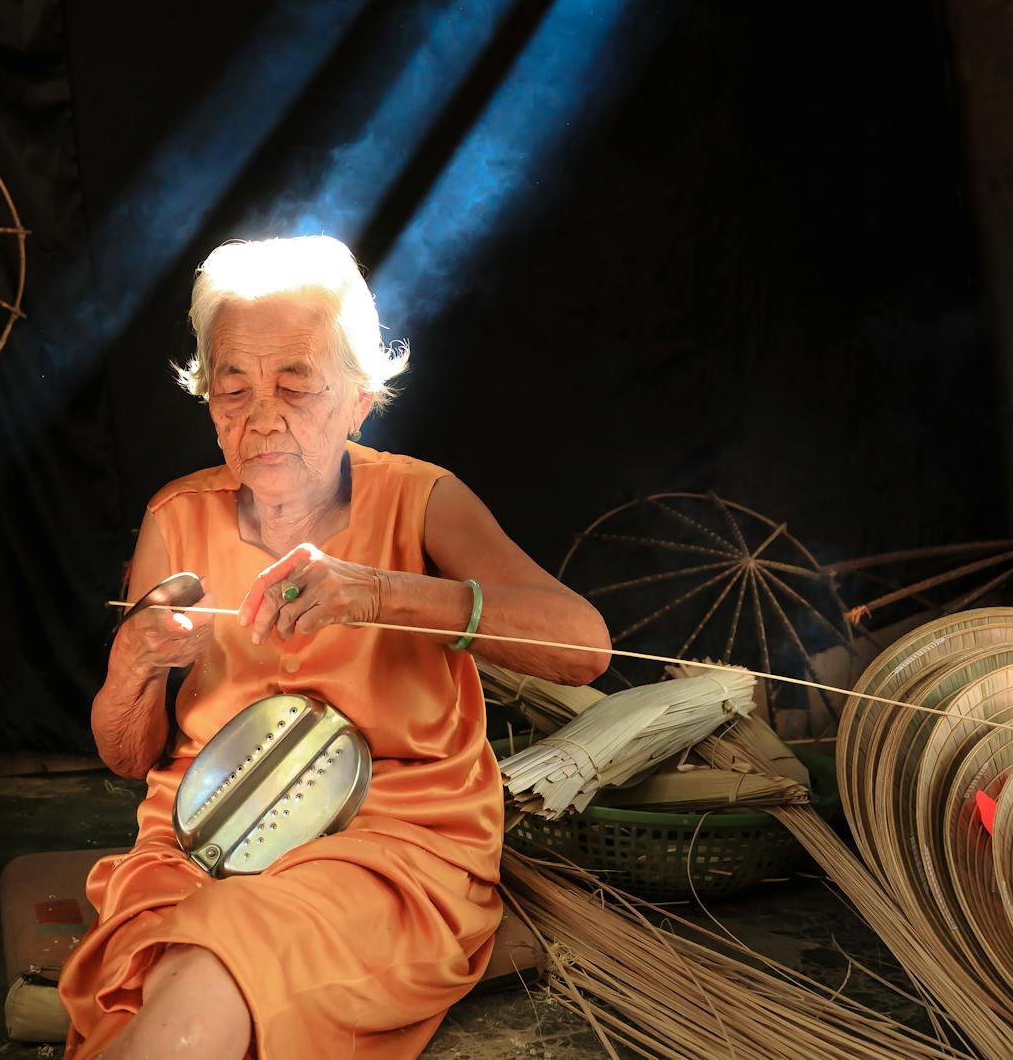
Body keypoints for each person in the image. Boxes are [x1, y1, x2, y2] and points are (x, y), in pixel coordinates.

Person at [59, 235, 609, 1059]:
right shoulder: (176, 517)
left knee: (216, 958)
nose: (261, 414)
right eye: (233, 386)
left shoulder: (421, 499)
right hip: (200, 842)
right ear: (208, 401)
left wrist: (383, 591)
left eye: (296, 383)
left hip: (388, 840)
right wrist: (131, 668)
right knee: (188, 965)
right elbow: (129, 753)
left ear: (359, 397)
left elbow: (584, 648)